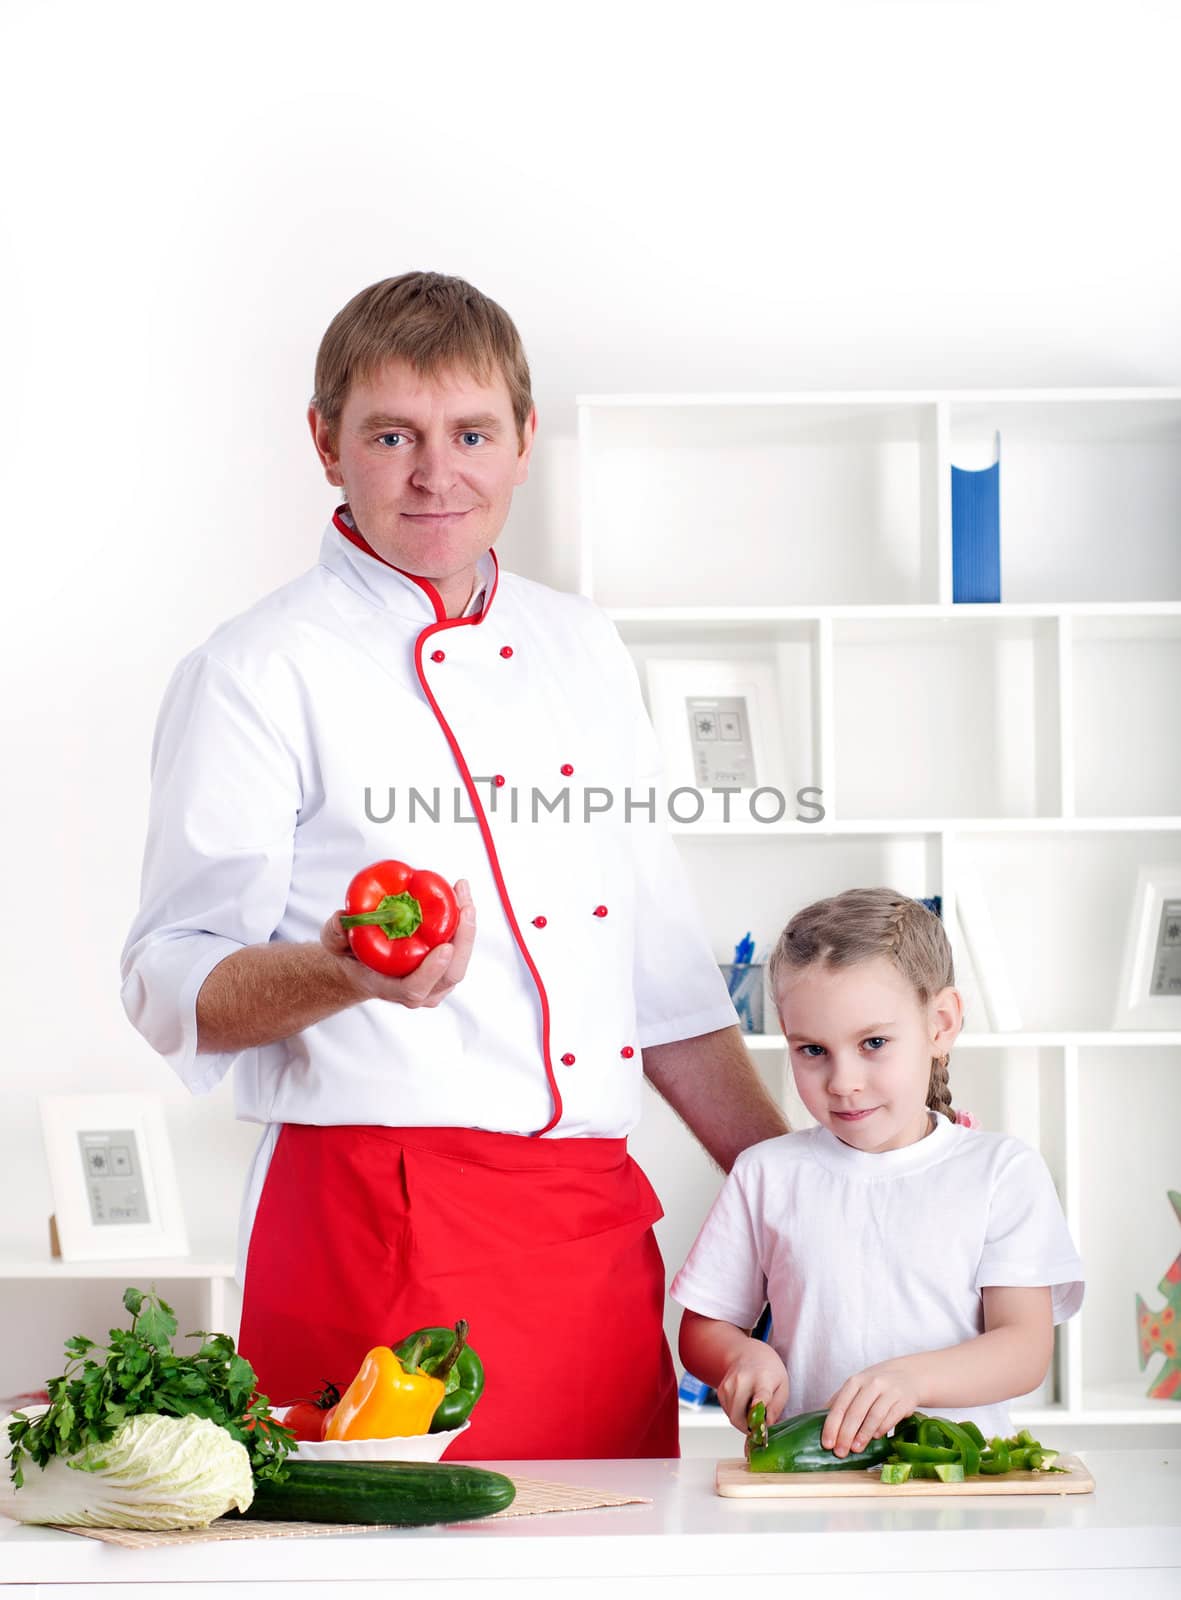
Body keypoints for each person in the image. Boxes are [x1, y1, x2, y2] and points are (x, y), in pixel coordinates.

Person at [120, 270, 788, 1460]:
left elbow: (667, 983)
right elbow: (172, 980)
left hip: (587, 1236)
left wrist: (806, 1192)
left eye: (470, 432)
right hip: (376, 1232)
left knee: (610, 1566)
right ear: (325, 442)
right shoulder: (256, 670)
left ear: (524, 441)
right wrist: (347, 974)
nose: (436, 474)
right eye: (392, 435)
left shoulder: (581, 645)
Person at [671, 887, 1084, 1454]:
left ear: (940, 1023)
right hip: (808, 1483)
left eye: (873, 1043)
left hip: (961, 1483)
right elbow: (703, 1329)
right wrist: (740, 1356)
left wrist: (912, 1381)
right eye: (811, 1050)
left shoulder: (1001, 1172)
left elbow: (1024, 1348)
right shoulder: (766, 1173)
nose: (842, 1082)